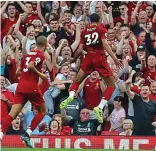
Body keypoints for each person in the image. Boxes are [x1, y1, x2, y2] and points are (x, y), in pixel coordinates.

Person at [60, 13, 122, 123]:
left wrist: (74, 60)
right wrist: (115, 58)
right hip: (99, 57)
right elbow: (105, 44)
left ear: (89, 21)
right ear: (98, 21)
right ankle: (100, 106)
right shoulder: (101, 29)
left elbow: (79, 49)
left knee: (77, 81)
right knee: (111, 85)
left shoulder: (84, 32)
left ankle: (71, 96)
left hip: (88, 57)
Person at [0, 35, 48, 148]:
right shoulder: (40, 54)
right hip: (32, 87)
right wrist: (41, 75)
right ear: (45, 44)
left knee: (13, 113)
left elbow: (17, 72)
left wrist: (26, 75)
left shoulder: (27, 55)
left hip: (21, 87)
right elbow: (31, 66)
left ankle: (1, 134)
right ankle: (28, 133)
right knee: (42, 111)